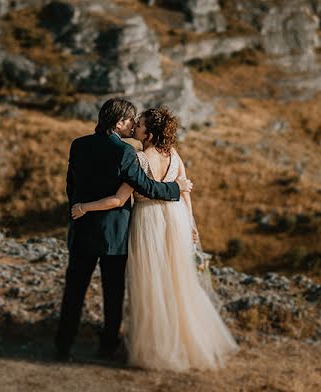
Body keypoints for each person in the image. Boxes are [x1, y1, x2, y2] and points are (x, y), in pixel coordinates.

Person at [71, 106, 238, 371]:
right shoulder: (173, 154)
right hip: (176, 220)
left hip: (149, 222)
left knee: (150, 285)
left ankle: (155, 347)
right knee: (175, 282)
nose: (135, 126)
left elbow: (118, 199)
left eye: (140, 125)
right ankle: (182, 342)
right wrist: (192, 224)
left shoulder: (139, 158)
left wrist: (83, 207)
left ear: (148, 133)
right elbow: (185, 193)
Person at [54, 98, 194, 362]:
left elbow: (70, 185)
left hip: (82, 228)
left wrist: (78, 208)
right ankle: (108, 347)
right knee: (113, 293)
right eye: (130, 120)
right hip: (115, 234)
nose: (133, 125)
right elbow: (146, 187)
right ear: (119, 122)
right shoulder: (126, 153)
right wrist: (178, 188)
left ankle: (63, 345)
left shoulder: (79, 145)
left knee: (74, 290)